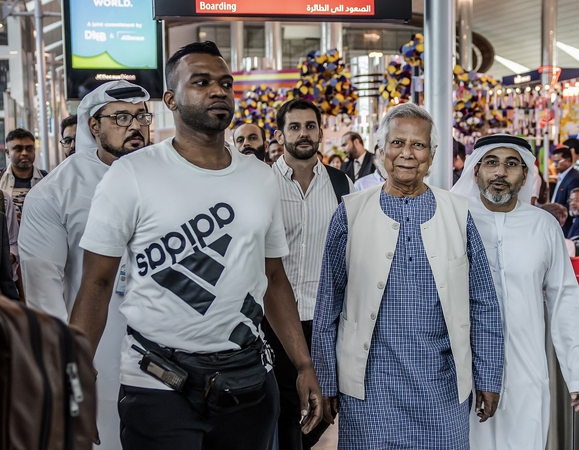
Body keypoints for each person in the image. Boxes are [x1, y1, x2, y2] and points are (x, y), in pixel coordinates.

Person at [69, 41, 322, 450]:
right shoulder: (132, 175)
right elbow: (95, 283)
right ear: (170, 98)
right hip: (157, 383)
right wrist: (73, 372)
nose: (218, 90)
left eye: (225, 82)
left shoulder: (259, 178)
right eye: (201, 82)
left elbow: (274, 276)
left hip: (248, 382)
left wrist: (303, 363)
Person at [312, 103, 504, 449]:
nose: (407, 154)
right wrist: (326, 379)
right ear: (379, 150)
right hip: (370, 389)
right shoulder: (350, 214)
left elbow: (484, 302)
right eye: (397, 143)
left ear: (431, 156)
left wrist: (489, 375)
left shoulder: (457, 215)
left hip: (443, 388)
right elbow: (328, 304)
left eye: (418, 145)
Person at [20, 80, 152, 450]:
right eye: (122, 117)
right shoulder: (54, 194)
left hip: (167, 355)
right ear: (93, 126)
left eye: (142, 116)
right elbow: (44, 296)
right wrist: (68, 368)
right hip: (97, 355)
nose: (136, 126)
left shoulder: (163, 177)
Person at [451, 134, 579, 449]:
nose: (500, 172)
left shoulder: (543, 226)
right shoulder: (455, 219)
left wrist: (578, 371)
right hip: (464, 368)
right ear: (476, 171)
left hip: (526, 368)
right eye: (491, 162)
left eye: (511, 164)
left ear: (525, 174)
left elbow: (564, 300)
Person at [268, 98, 353, 449]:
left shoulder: (341, 184)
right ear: (281, 133)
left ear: (320, 131)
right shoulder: (261, 183)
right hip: (271, 320)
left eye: (310, 126)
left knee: (323, 408)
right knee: (280, 411)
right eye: (295, 126)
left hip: (323, 322)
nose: (304, 134)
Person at [0, 128, 48, 221]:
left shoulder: (47, 179)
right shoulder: (1, 179)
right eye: (18, 149)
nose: (25, 153)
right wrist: (9, 217)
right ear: (8, 153)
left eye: (29, 148)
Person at [550, 146, 579, 234]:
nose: (555, 165)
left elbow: (572, 206)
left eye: (557, 161)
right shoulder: (564, 176)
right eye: (554, 162)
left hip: (566, 224)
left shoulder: (573, 179)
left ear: (568, 160)